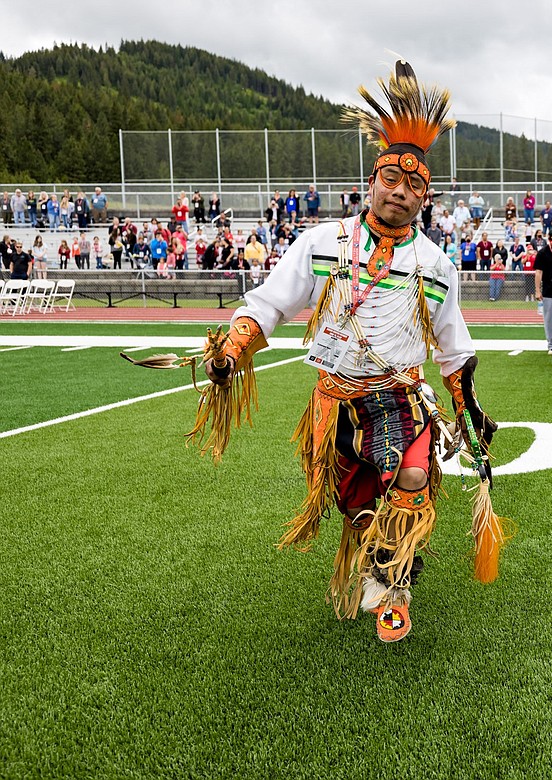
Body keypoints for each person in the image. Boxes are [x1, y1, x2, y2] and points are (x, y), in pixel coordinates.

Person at [188, 60, 500, 644]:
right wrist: (235, 344)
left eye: (415, 188)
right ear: (374, 179)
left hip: (400, 396)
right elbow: (271, 302)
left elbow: (455, 347)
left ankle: (396, 584)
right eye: (392, 181)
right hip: (334, 399)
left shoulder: (434, 264)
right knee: (357, 504)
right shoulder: (321, 243)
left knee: (411, 476)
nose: (401, 194)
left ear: (425, 198)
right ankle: (374, 561)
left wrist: (470, 409)